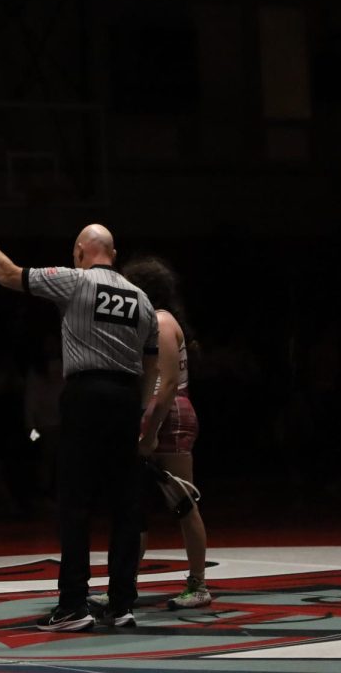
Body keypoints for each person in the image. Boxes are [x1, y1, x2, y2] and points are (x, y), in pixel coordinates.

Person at [0, 193, 158, 632]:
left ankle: (73, 606)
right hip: (127, 400)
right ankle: (122, 603)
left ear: (81, 253)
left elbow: (7, 273)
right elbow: (152, 364)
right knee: (126, 505)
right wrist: (142, 412)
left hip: (86, 397)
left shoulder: (75, 280)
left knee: (75, 503)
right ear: (115, 255)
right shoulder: (143, 300)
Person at [121, 256, 212, 610]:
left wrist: (150, 433)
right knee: (133, 506)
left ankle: (199, 584)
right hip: (154, 414)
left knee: (183, 503)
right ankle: (123, 583)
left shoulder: (160, 321)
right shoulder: (149, 324)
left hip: (169, 415)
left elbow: (169, 384)